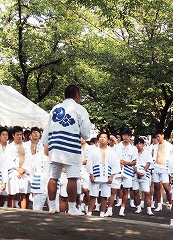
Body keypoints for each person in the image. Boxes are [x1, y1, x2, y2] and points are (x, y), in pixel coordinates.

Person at [41, 85, 91, 216]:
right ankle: (72, 208)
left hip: (55, 147)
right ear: (76, 95)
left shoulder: (55, 108)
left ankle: (52, 207)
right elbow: (86, 133)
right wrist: (82, 134)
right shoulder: (80, 109)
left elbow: (47, 129)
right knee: (72, 178)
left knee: (53, 178)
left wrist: (46, 144)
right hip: (70, 147)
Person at [86, 132, 119, 217]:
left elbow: (115, 164)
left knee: (105, 196)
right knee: (93, 195)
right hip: (96, 175)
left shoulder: (112, 151)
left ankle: (102, 213)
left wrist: (112, 176)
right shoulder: (93, 151)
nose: (102, 139)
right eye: (101, 137)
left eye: (104, 137)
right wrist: (91, 175)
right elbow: (89, 163)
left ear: (107, 140)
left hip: (107, 175)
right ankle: (89, 212)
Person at [152, 129, 173, 212]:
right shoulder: (154, 146)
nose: (158, 138)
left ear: (162, 135)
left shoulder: (169, 146)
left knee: (166, 187)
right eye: (156, 137)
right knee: (156, 186)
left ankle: (171, 204)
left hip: (164, 168)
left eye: (159, 136)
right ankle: (159, 204)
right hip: (156, 167)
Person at [132, 138, 154, 216]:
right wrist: (136, 172)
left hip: (145, 175)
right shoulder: (134, 153)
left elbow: (148, 163)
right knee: (135, 191)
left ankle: (149, 209)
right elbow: (133, 163)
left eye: (140, 144)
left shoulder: (147, 153)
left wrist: (143, 172)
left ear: (143, 144)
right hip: (135, 175)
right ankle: (138, 207)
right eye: (137, 144)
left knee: (147, 192)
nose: (139, 145)